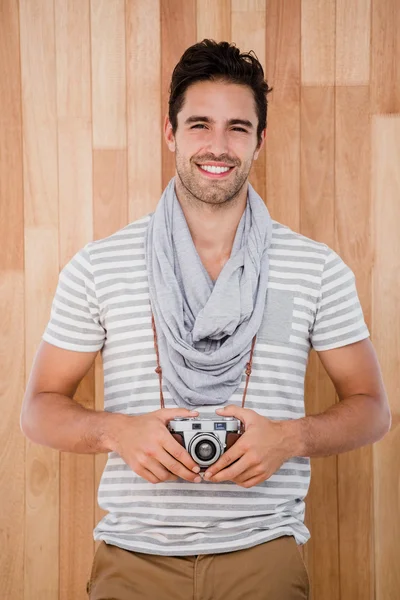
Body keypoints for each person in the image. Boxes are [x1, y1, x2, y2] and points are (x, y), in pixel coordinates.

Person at [20, 39, 391, 600]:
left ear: (260, 140)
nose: (218, 146)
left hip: (263, 551)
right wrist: (116, 431)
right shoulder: (99, 265)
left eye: (238, 128)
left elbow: (372, 409)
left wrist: (288, 439)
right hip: (132, 555)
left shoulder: (315, 268)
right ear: (170, 133)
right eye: (199, 125)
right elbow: (38, 409)